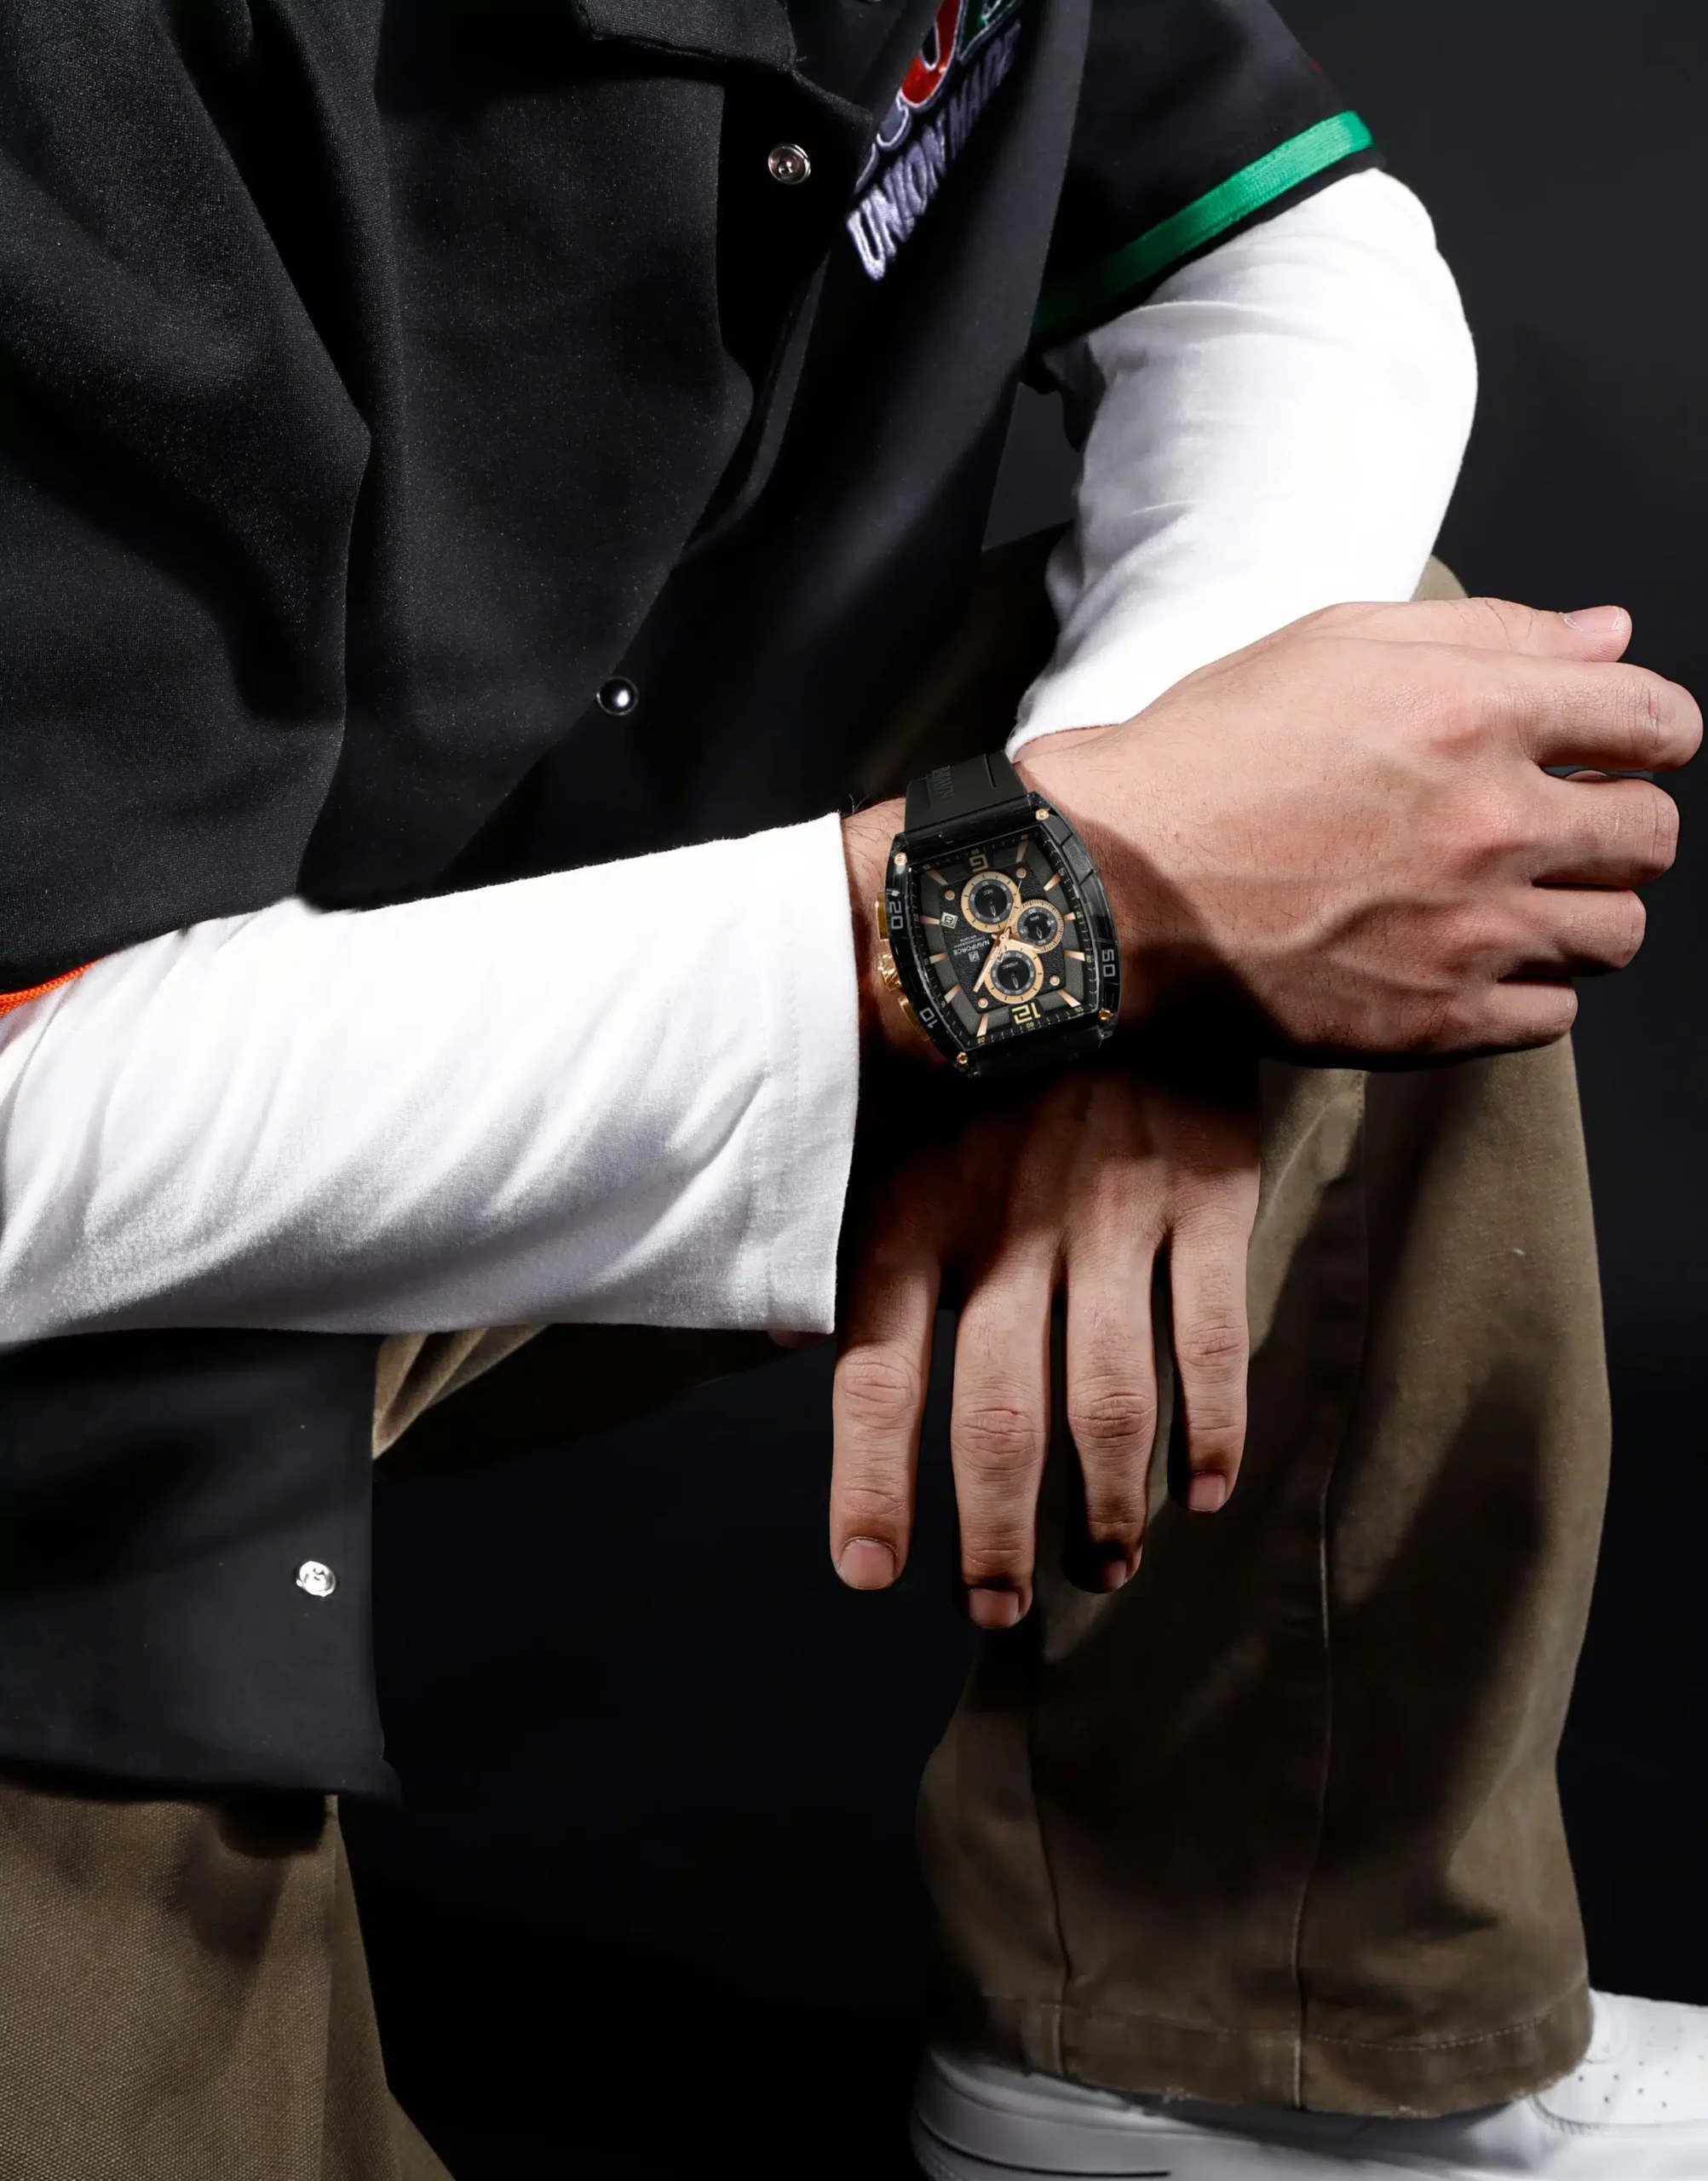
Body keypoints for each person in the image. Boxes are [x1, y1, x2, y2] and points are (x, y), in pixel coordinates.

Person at [0, 5, 1699, 2180]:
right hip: (95, 1228)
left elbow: (1285, 239)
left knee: (1359, 757)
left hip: (586, 892)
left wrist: (1095, 928)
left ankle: (1234, 2026)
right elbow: (35, 1106)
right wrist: (1040, 916)